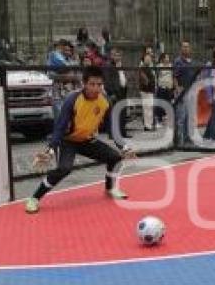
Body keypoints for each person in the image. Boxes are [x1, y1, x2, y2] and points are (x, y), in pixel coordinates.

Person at [25, 66, 135, 214]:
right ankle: (34, 198)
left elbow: (112, 128)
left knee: (115, 157)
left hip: (86, 140)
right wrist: (50, 149)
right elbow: (60, 127)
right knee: (64, 169)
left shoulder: (105, 102)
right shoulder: (73, 99)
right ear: (84, 83)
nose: (96, 88)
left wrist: (124, 147)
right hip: (68, 141)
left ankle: (110, 188)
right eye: (92, 84)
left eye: (99, 84)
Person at [138, 48, 156, 131]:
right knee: (147, 108)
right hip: (145, 90)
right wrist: (148, 82)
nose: (148, 60)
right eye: (147, 59)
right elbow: (145, 80)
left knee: (150, 107)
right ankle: (147, 125)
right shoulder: (142, 67)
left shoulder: (150, 67)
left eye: (149, 59)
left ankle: (150, 124)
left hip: (150, 90)